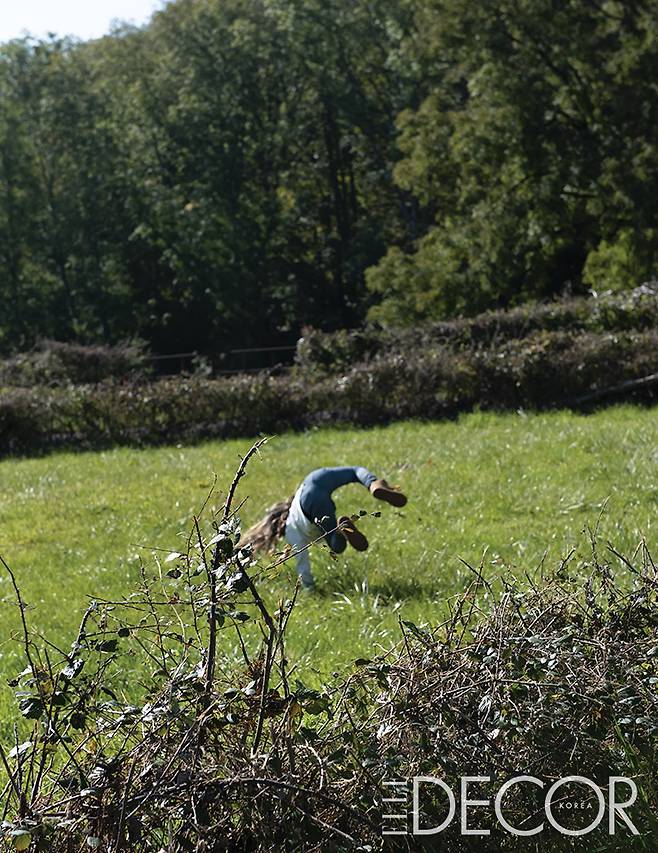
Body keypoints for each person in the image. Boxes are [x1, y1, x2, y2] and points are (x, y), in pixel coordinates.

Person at [242, 466, 407, 589]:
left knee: (336, 546)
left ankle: (342, 529)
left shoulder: (292, 531)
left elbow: (303, 566)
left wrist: (310, 589)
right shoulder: (294, 502)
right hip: (314, 478)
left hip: (312, 506)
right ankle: (374, 484)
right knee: (355, 471)